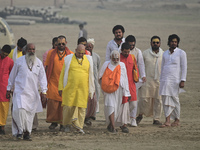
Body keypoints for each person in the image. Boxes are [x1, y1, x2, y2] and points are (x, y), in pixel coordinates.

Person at [6, 43, 47, 141]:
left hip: (33, 93)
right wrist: (9, 88)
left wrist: (44, 92)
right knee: (19, 111)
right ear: (25, 50)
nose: (31, 51)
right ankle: (19, 132)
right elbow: (12, 76)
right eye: (30, 49)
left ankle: (27, 133)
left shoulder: (38, 63)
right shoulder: (19, 61)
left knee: (29, 114)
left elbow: (42, 78)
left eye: (33, 49)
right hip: (20, 92)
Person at [58, 44, 95, 134]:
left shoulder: (89, 59)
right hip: (70, 88)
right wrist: (60, 87)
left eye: (83, 53)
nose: (81, 55)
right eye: (79, 53)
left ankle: (79, 127)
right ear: (75, 50)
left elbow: (91, 76)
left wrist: (91, 89)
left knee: (82, 108)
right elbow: (63, 74)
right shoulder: (68, 59)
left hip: (83, 89)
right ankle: (66, 125)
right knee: (68, 107)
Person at [45, 35, 73, 130]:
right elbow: (47, 67)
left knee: (63, 104)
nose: (61, 45)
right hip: (53, 81)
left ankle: (62, 123)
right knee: (53, 103)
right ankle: (53, 122)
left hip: (65, 83)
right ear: (56, 43)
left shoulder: (71, 54)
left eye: (63, 43)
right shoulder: (51, 53)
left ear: (66, 43)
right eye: (59, 43)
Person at [99, 50, 131, 133]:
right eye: (114, 59)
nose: (116, 60)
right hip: (108, 91)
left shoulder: (122, 65)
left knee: (116, 108)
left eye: (117, 59)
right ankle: (113, 127)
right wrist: (105, 86)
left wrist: (127, 93)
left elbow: (125, 80)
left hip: (118, 91)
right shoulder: (106, 64)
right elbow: (100, 77)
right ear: (110, 57)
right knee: (110, 106)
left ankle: (111, 124)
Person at [159, 34, 187, 128]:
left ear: (177, 43)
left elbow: (184, 67)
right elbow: (163, 67)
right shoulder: (165, 53)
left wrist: (183, 80)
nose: (174, 43)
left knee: (175, 100)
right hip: (165, 80)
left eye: (175, 42)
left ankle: (177, 119)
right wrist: (161, 79)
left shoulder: (181, 53)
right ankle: (167, 120)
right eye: (172, 41)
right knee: (165, 99)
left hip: (175, 81)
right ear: (169, 42)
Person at [137, 36, 164, 125]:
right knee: (143, 99)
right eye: (154, 42)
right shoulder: (145, 53)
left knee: (158, 100)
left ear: (160, 43)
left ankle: (156, 119)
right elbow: (140, 66)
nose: (155, 44)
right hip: (146, 80)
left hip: (159, 81)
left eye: (157, 42)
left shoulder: (163, 54)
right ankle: (139, 115)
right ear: (150, 43)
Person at [125, 35, 146, 127]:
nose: (131, 47)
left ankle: (133, 118)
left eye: (133, 45)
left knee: (134, 100)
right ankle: (124, 117)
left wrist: (143, 75)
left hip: (134, 80)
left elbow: (141, 64)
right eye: (130, 45)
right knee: (124, 99)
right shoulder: (121, 51)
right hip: (123, 80)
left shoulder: (138, 52)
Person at [120, 43, 139, 127]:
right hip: (122, 85)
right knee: (123, 103)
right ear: (121, 51)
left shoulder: (132, 57)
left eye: (128, 52)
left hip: (131, 84)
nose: (127, 53)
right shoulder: (118, 58)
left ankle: (132, 118)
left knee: (134, 103)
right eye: (125, 52)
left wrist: (137, 77)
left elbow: (135, 68)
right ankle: (124, 119)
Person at [84, 38, 101, 125]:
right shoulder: (83, 56)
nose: (89, 48)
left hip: (94, 82)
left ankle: (91, 116)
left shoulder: (97, 57)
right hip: (85, 82)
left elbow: (97, 68)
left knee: (93, 100)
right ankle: (85, 118)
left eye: (90, 47)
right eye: (87, 46)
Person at [0, 45, 14, 135]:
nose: (4, 56)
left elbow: (12, 76)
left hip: (5, 88)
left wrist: (11, 89)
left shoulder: (10, 61)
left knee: (4, 108)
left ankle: (2, 126)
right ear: (1, 50)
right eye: (3, 54)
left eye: (6, 55)